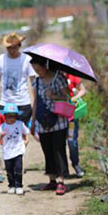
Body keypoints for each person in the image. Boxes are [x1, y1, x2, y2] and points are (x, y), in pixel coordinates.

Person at [29, 56, 71, 196]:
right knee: (47, 150)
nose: (38, 72)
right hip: (43, 122)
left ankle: (61, 180)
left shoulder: (58, 78)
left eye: (39, 69)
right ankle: (52, 179)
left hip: (58, 121)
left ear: (45, 66)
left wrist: (54, 96)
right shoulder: (37, 81)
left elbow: (67, 97)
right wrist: (33, 121)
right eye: (35, 70)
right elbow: (36, 102)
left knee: (59, 150)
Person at [0, 32, 38, 124]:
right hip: (5, 103)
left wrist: (36, 101)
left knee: (21, 133)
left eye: (14, 47)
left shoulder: (27, 59)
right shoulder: (0, 59)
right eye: (9, 48)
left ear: (19, 46)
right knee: (5, 132)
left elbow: (33, 82)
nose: (12, 50)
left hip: (23, 103)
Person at [0, 103, 30, 195]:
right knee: (9, 170)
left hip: (18, 150)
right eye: (9, 116)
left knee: (18, 169)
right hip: (7, 152)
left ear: (16, 116)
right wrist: (1, 136)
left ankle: (19, 186)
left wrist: (26, 140)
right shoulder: (2, 127)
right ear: (5, 116)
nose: (11, 118)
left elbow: (26, 132)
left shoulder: (20, 124)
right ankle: (11, 185)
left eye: (13, 116)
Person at [65, 73, 87, 178]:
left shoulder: (72, 76)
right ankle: (63, 169)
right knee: (59, 143)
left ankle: (75, 164)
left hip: (71, 117)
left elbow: (83, 90)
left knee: (71, 141)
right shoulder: (54, 75)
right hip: (58, 116)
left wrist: (75, 97)